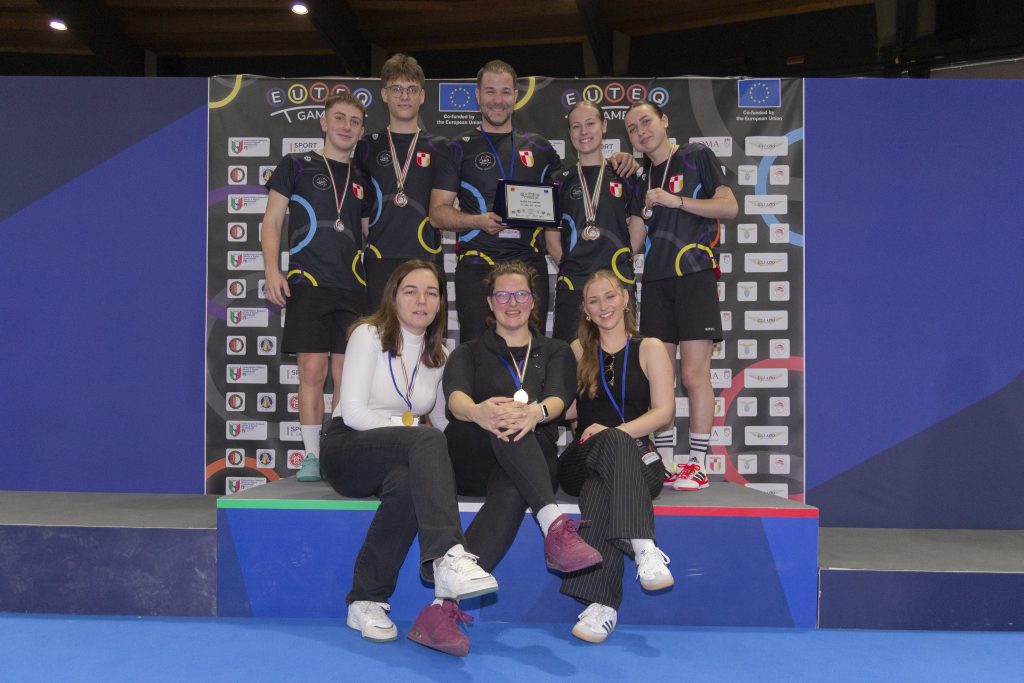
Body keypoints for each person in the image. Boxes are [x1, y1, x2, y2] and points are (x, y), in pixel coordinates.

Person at [320, 260, 497, 657]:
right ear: (394, 297)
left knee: (407, 484)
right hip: (347, 448)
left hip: (398, 456)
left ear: (440, 303)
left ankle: (365, 600)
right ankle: (448, 557)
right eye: (411, 291)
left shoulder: (440, 355)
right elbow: (354, 413)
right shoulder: (368, 335)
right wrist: (415, 436)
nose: (422, 300)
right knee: (425, 441)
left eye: (431, 293)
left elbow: (442, 424)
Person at [430, 60, 639, 342]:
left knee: (533, 352)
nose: (498, 100)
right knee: (477, 349)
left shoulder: (540, 148)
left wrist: (619, 160)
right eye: (490, 91)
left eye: (505, 92)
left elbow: (580, 184)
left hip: (530, 263)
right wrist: (477, 221)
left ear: (516, 96)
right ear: (478, 95)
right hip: (478, 261)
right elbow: (438, 214)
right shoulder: (457, 147)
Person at [442, 260, 601, 575]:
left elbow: (559, 398)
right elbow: (455, 398)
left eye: (521, 295)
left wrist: (534, 413)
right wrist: (478, 412)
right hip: (473, 456)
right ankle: (553, 523)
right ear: (490, 303)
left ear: (532, 300)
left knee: (515, 485)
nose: (512, 303)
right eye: (502, 295)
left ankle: (452, 585)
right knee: (505, 416)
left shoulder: (556, 350)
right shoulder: (468, 351)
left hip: (532, 460)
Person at [624, 101, 738, 491]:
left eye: (646, 121)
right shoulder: (640, 178)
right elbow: (634, 241)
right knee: (661, 377)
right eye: (632, 128)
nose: (641, 131)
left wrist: (677, 201)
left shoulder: (695, 156)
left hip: (694, 274)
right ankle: (666, 462)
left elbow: (729, 207)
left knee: (693, 375)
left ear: (664, 121)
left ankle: (698, 464)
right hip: (656, 282)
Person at [557, 270, 676, 643]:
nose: (603, 306)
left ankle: (601, 605)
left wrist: (615, 432)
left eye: (610, 296)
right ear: (586, 310)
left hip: (639, 460)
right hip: (582, 458)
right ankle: (643, 546)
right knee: (606, 452)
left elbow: (664, 412)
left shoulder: (650, 347)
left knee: (599, 488)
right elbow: (566, 409)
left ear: (625, 299)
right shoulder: (577, 350)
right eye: (594, 300)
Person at [261, 92, 371, 482]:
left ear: (361, 131)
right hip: (308, 283)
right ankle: (311, 455)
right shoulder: (295, 165)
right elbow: (272, 221)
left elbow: (364, 234)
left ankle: (335, 452)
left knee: (346, 374)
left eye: (354, 121)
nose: (346, 126)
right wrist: (272, 271)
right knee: (311, 369)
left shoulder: (363, 178)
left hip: (353, 287)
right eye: (339, 118)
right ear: (324, 122)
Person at [353, 53, 446, 312]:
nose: (404, 96)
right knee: (379, 331)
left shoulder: (440, 147)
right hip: (380, 258)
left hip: (426, 258)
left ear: (422, 96)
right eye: (396, 89)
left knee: (426, 333)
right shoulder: (367, 146)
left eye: (411, 89)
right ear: (384, 94)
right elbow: (361, 205)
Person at [546, 101, 646, 342]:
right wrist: (572, 267)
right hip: (574, 284)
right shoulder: (559, 180)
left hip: (617, 282)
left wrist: (622, 261)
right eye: (576, 126)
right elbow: (551, 239)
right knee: (570, 355)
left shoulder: (624, 174)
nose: (584, 132)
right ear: (569, 132)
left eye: (590, 123)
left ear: (604, 126)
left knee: (619, 353)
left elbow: (638, 222)